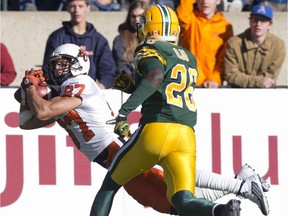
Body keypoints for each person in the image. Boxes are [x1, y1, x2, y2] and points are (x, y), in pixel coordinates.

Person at [18, 43, 269, 215]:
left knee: (171, 197)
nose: (56, 69)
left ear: (77, 64)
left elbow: (42, 111)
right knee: (171, 194)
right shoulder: (61, 94)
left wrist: (30, 87)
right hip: (112, 152)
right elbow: (27, 122)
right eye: (56, 65)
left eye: (62, 64)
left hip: (117, 148)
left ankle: (241, 186)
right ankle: (240, 184)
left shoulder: (80, 82)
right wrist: (26, 96)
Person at [89, 5, 270, 216]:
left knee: (110, 185)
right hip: (185, 135)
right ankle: (221, 211)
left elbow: (156, 76)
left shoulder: (149, 49)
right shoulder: (187, 55)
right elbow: (165, 85)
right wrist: (133, 87)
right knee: (183, 200)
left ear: (150, 27)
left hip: (156, 130)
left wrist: (124, 112)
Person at [42, 0, 116, 89]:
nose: (76, 10)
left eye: (80, 6)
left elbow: (107, 69)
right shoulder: (57, 37)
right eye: (73, 6)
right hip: (62, 92)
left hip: (89, 92)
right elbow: (48, 67)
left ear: (88, 8)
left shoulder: (99, 40)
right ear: (67, 8)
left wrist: (102, 85)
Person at [224, 4, 286, 88]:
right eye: (255, 20)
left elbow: (270, 77)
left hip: (264, 92)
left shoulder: (278, 45)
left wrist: (260, 82)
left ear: (270, 25)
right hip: (237, 91)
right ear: (250, 21)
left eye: (263, 21)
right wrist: (258, 82)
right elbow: (230, 75)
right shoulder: (234, 43)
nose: (258, 24)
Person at [176, 0, 233, 88]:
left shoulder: (225, 27)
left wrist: (215, 79)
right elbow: (182, 15)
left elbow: (224, 58)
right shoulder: (189, 20)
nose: (205, 2)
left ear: (218, 1)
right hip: (187, 82)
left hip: (211, 86)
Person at [112, 0, 148, 81]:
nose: (137, 19)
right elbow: (121, 67)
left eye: (140, 16)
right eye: (133, 16)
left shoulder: (154, 38)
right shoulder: (119, 40)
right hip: (129, 84)